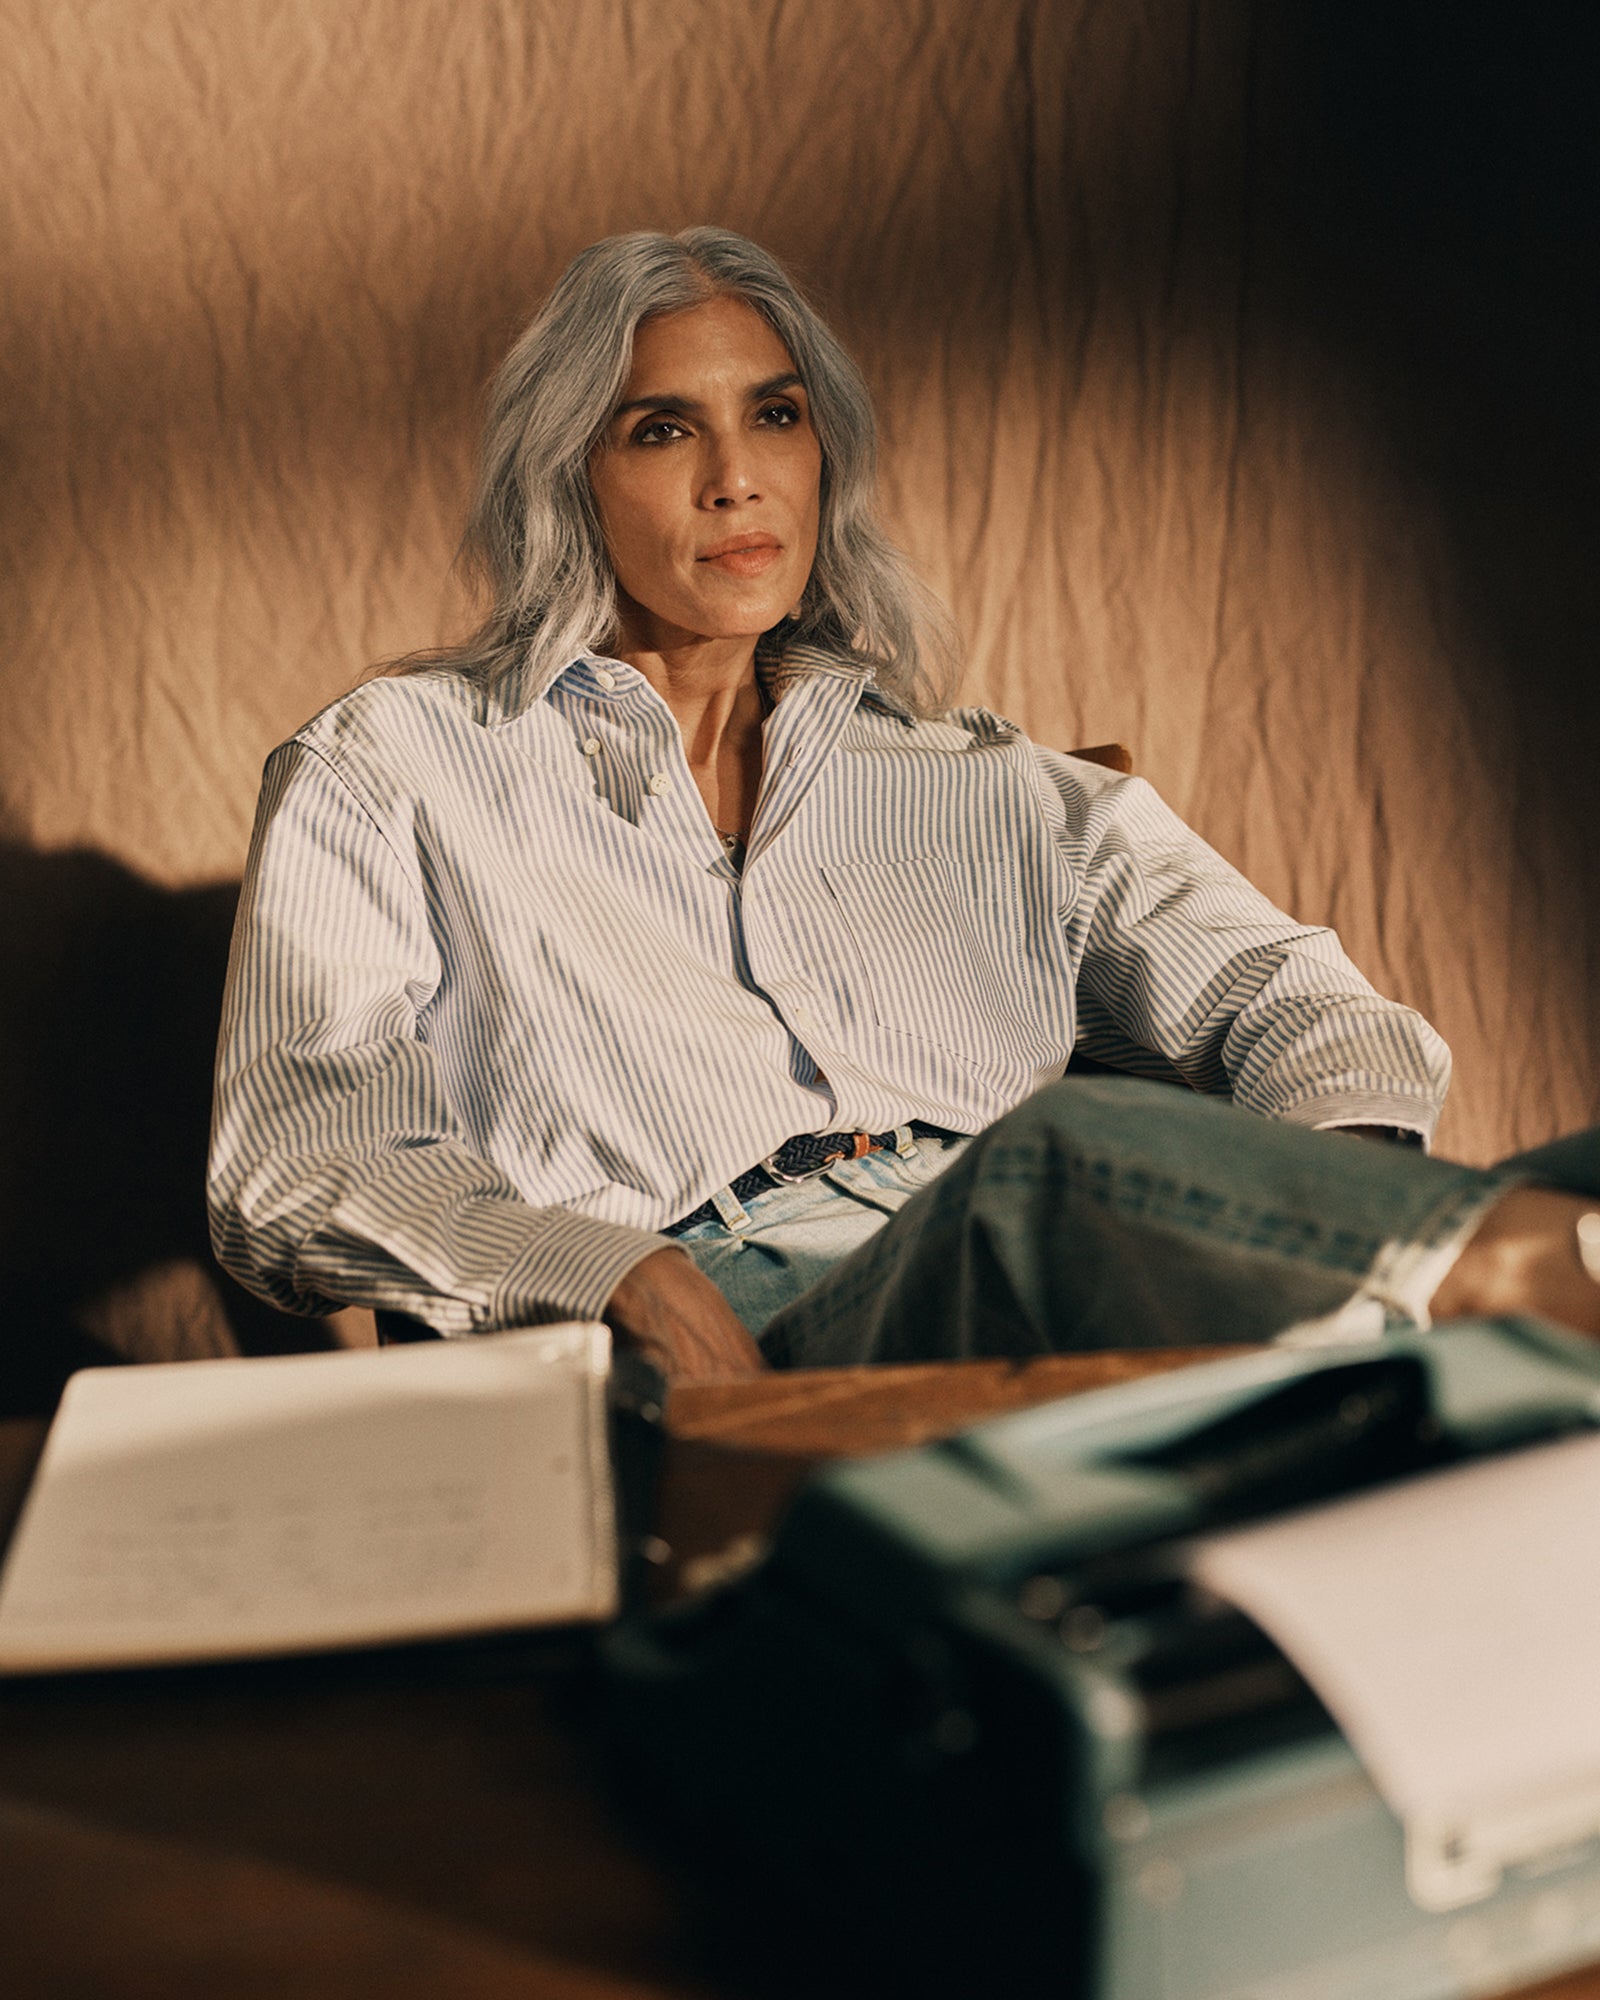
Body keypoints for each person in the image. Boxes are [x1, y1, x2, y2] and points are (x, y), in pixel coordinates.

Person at [207, 227, 1600, 1382]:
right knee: (1050, 1164)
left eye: (775, 415)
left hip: (1066, 1301)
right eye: (661, 430)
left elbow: (1297, 1000)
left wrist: (1328, 1210)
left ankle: (1411, 1311)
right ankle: (1470, 1314)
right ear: (570, 475)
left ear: (827, 453)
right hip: (745, 1330)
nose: (737, 479)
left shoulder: (980, 781)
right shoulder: (395, 765)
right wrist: (611, 1270)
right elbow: (301, 1156)